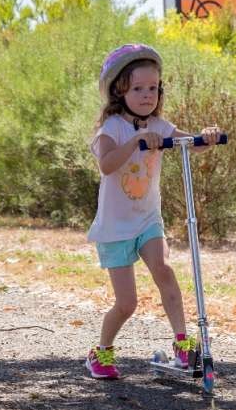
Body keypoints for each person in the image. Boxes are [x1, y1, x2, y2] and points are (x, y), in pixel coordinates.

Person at [85, 44, 222, 379]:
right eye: (138, 89)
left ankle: (182, 343)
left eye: (152, 88)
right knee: (127, 304)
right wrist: (136, 142)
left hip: (148, 219)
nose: (147, 95)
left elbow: (191, 143)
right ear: (120, 90)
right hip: (116, 227)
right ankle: (100, 352)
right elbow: (106, 165)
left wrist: (207, 137)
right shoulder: (113, 129)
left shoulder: (160, 126)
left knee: (163, 268)